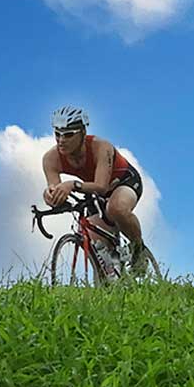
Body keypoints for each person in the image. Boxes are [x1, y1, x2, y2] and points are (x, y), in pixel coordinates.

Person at [40, 106, 149, 272]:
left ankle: (138, 249)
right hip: (93, 192)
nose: (61, 140)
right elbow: (54, 189)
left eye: (69, 134)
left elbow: (101, 187)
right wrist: (51, 196)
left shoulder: (100, 147)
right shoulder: (50, 158)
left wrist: (72, 185)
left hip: (123, 182)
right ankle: (111, 281)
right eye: (57, 134)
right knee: (97, 245)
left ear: (83, 133)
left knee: (116, 208)